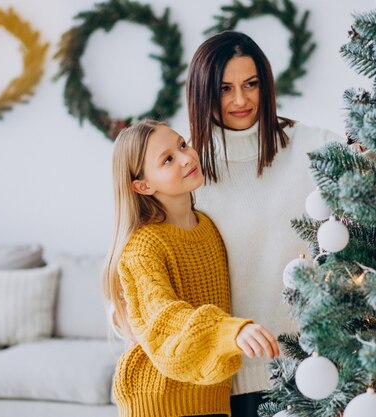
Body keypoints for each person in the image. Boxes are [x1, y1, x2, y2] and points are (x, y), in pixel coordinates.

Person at [186, 31, 342, 416]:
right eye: (225, 89)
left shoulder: (311, 145)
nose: (241, 100)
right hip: (232, 378)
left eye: (251, 84)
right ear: (203, 93)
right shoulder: (188, 171)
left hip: (314, 368)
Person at [103, 119, 280, 417]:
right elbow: (164, 317)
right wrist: (230, 332)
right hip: (158, 401)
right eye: (168, 159)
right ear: (143, 185)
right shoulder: (143, 246)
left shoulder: (209, 227)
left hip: (212, 397)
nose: (187, 158)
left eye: (182, 144)